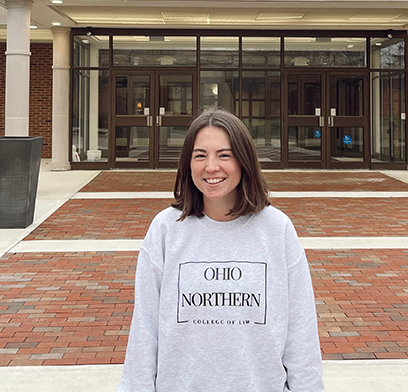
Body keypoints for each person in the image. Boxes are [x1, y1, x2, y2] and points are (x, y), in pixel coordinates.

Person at [117, 109, 324, 392]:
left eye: (224, 155)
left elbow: (301, 335)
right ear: (187, 164)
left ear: (244, 160)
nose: (211, 167)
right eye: (200, 155)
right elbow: (144, 330)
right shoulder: (166, 229)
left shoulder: (277, 229)